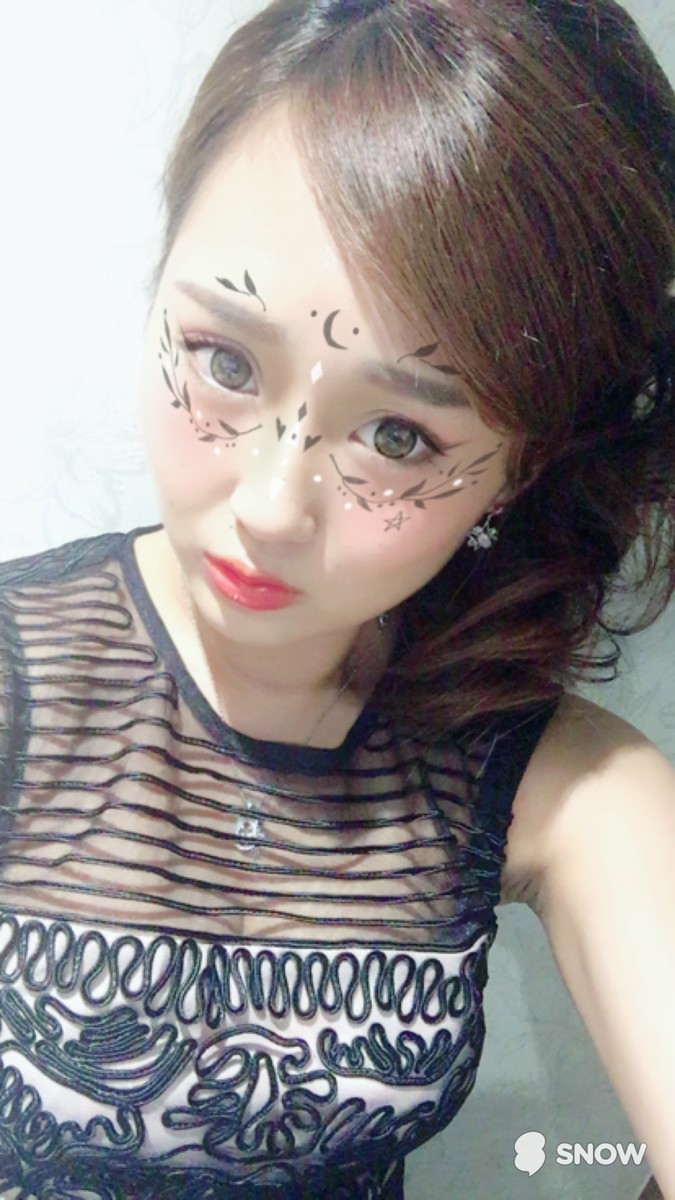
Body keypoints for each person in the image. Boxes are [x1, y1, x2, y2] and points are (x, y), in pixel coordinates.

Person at [0, 0, 674, 1196]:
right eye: (225, 361)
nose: (271, 506)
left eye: (401, 436)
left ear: (524, 468)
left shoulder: (557, 781)